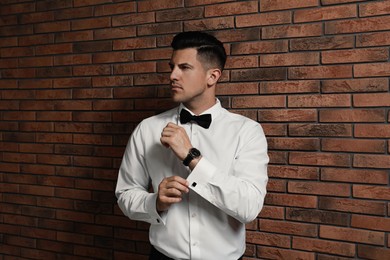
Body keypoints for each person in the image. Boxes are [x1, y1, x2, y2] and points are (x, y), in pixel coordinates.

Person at [115, 31, 268, 260]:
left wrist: (191, 156)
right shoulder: (147, 129)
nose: (173, 76)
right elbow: (125, 194)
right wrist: (154, 201)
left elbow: (249, 207)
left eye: (184, 68)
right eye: (172, 67)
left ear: (212, 76)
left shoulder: (247, 132)